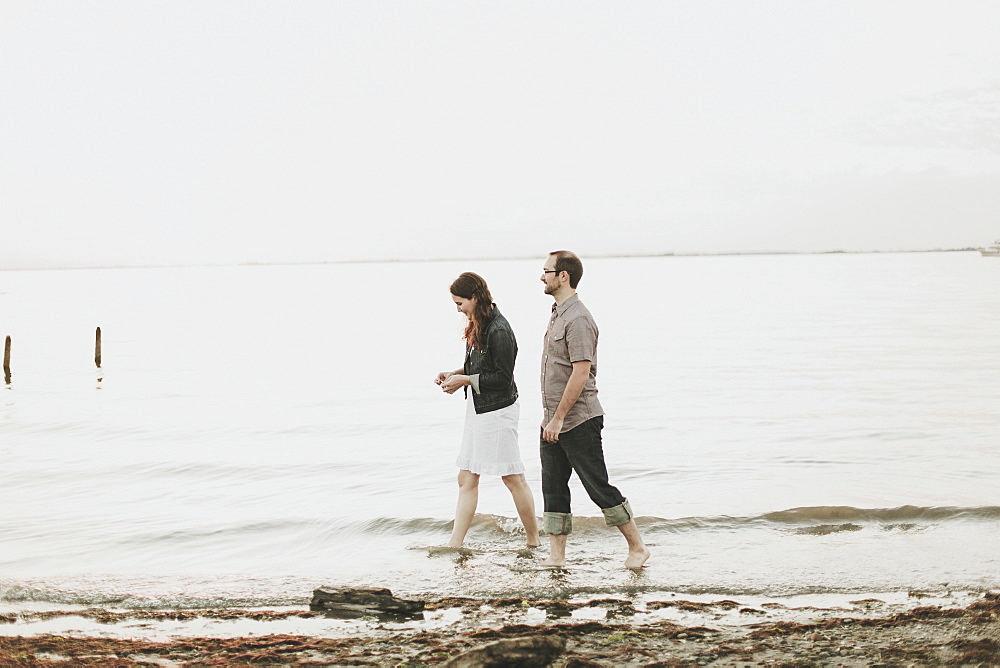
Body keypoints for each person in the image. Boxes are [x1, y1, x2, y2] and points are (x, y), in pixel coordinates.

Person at [539, 250, 651, 569]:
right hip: (552, 420)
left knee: (597, 486)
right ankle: (557, 558)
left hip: (578, 420)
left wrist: (560, 419)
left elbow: (581, 372)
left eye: (547, 271)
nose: (542, 276)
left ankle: (638, 548)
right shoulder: (557, 313)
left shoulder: (579, 318)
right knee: (553, 488)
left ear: (564, 276)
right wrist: (551, 419)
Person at [435, 272, 540, 549]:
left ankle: (534, 540)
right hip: (479, 411)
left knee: (513, 477)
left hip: (499, 411)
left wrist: (466, 380)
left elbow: (503, 379)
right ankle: (455, 543)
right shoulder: (478, 323)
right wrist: (455, 375)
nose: (458, 309)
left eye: (460, 303)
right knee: (466, 476)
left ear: (474, 297)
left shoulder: (500, 330)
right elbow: (479, 369)